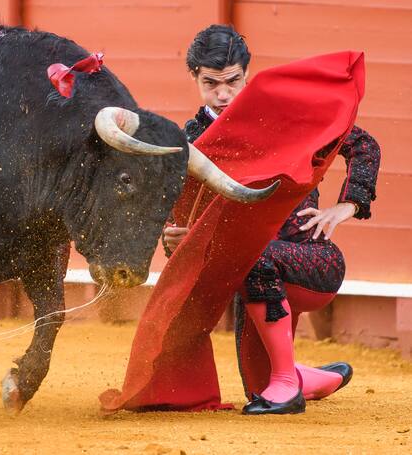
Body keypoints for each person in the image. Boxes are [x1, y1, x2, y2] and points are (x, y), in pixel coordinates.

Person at [162, 25, 381, 415]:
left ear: (248, 72)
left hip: (312, 262)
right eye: (211, 83)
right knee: (255, 388)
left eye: (233, 81)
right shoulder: (191, 141)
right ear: (194, 77)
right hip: (255, 275)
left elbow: (362, 145)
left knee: (252, 257)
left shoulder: (284, 113)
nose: (224, 94)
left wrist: (347, 206)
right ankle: (302, 377)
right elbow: (182, 221)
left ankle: (287, 383)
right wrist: (175, 241)